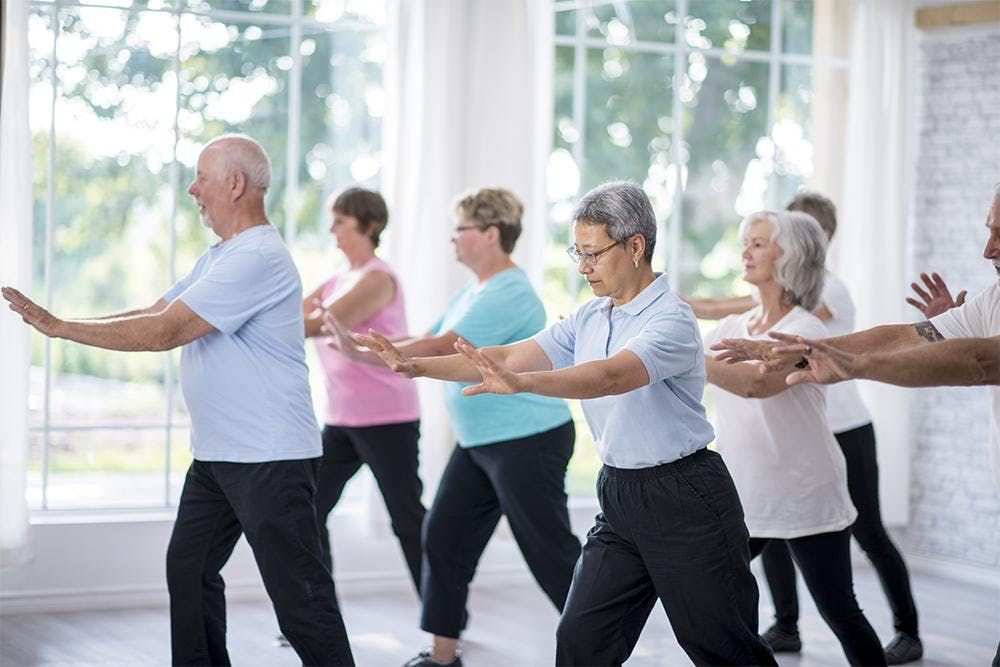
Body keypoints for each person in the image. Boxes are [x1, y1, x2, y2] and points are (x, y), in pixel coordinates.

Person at [345, 181, 776, 666]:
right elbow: (506, 356)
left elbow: (611, 376)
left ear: (636, 247)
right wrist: (414, 366)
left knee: (723, 648)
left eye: (593, 253)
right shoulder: (590, 315)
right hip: (620, 495)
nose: (583, 266)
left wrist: (524, 383)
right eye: (578, 252)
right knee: (581, 642)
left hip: (685, 498)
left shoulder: (670, 320)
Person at [3, 134, 354, 666]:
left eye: (202, 177)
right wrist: (59, 325)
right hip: (219, 454)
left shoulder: (258, 256)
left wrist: (62, 328)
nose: (193, 189)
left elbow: (168, 331)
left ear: (234, 184)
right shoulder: (221, 256)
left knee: (298, 596)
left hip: (268, 456)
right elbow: (154, 310)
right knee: (189, 568)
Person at [711, 186, 1000, 667]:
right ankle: (785, 624)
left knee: (858, 564)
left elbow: (978, 361)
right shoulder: (993, 296)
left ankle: (907, 631)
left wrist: (844, 361)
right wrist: (817, 351)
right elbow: (908, 335)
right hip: (761, 485)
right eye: (989, 232)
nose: (987, 249)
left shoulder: (817, 308)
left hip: (824, 465)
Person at [326, 187, 579, 667]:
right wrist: (363, 349)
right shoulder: (474, 290)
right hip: (482, 442)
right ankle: (443, 656)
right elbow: (424, 337)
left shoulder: (512, 290)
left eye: (460, 229)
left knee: (550, 553)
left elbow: (448, 343)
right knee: (441, 539)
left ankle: (602, 647)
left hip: (528, 440)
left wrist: (386, 357)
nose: (452, 240)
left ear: (489, 234)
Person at [688, 192, 922, 663]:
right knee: (712, 601)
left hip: (805, 492)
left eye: (758, 243)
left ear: (788, 256)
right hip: (747, 496)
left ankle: (904, 634)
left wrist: (683, 355)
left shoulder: (806, 332)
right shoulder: (734, 324)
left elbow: (756, 387)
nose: (745, 252)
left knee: (840, 609)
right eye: (745, 242)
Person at [302, 187, 424, 594]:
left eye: (340, 221)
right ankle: (317, 613)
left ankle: (446, 620)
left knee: (406, 520)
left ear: (369, 226)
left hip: (387, 417)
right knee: (308, 510)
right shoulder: (338, 279)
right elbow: (294, 310)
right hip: (342, 418)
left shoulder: (377, 278)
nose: (331, 230)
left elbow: (314, 323)